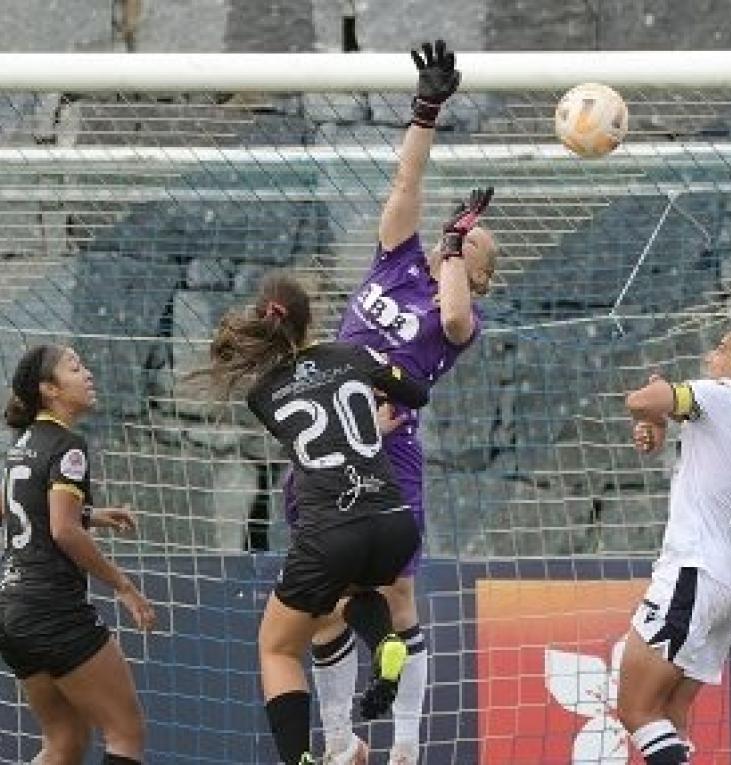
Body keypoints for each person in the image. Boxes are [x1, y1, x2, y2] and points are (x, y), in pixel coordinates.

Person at [286, 38, 499, 765]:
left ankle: (407, 746)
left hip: (389, 456)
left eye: (476, 248)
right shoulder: (396, 257)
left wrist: (455, 252)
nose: (464, 241)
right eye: (462, 235)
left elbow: (460, 317)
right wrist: (427, 110)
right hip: (325, 452)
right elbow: (404, 186)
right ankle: (343, 742)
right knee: (322, 606)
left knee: (399, 599)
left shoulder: (455, 317)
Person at [199, 270, 448, 765]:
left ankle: (300, 759)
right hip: (393, 520)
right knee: (343, 598)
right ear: (311, 317)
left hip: (332, 529)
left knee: (276, 648)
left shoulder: (262, 395)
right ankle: (384, 643)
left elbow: (317, 428)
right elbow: (416, 393)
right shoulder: (352, 355)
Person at [615, 320, 731, 764]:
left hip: (693, 573)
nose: (709, 358)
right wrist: (657, 419)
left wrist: (653, 404)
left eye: (721, 350)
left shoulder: (721, 395)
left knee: (636, 710)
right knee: (670, 715)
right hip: (728, 586)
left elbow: (640, 399)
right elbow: (667, 414)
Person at [0, 344, 156, 765]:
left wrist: (93, 514)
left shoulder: (23, 443)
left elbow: (13, 505)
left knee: (64, 742)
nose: (87, 374)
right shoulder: (68, 445)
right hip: (54, 610)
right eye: (75, 368)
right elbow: (62, 530)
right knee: (125, 733)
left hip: (12, 610)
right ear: (49, 389)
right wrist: (122, 584)